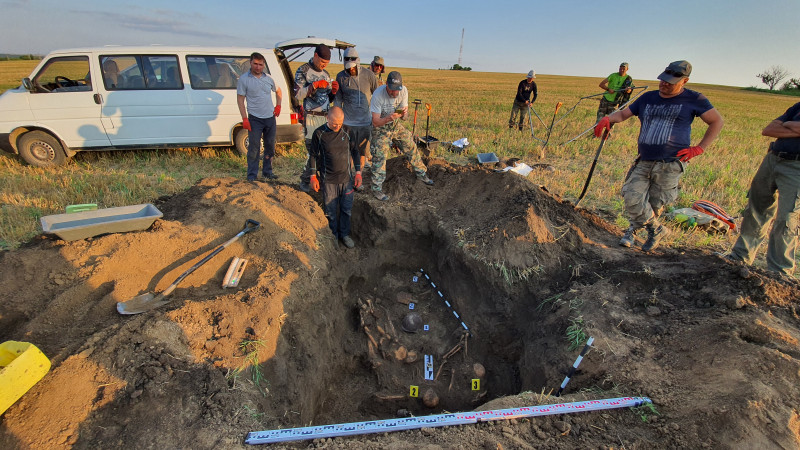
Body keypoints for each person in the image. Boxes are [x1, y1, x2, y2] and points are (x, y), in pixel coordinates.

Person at [594, 60, 724, 251]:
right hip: (644, 159)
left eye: (670, 82)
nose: (664, 84)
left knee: (655, 203)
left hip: (670, 163)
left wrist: (700, 148)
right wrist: (607, 118)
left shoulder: (694, 99)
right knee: (632, 197)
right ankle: (657, 229)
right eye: (663, 80)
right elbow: (623, 115)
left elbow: (717, 121)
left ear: (684, 81)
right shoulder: (648, 98)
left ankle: (633, 231)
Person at [726, 101, 800, 275]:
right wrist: (794, 126)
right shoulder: (798, 107)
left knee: (787, 219)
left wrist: (787, 125)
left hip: (797, 167)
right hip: (773, 159)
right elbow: (769, 130)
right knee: (756, 209)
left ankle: (780, 271)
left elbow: (779, 127)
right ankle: (740, 257)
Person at [369, 71, 434, 201]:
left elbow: (405, 116)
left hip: (395, 123)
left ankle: (421, 173)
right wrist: (388, 118)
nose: (394, 93)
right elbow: (375, 122)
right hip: (380, 126)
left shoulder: (403, 91)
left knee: (409, 144)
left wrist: (404, 115)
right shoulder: (377, 95)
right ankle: (376, 188)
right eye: (392, 90)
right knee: (380, 154)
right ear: (386, 84)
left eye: (397, 90)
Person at [308, 107, 362, 248]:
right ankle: (333, 237)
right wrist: (313, 176)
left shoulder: (348, 131)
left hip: (346, 181)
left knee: (346, 210)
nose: (337, 126)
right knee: (330, 213)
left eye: (340, 123)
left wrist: (358, 172)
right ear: (327, 118)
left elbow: (356, 151)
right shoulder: (319, 133)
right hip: (329, 181)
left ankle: (344, 234)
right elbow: (313, 155)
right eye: (334, 124)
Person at [296, 44, 339, 192]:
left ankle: (319, 179)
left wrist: (333, 92)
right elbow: (297, 94)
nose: (323, 66)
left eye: (326, 64)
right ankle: (305, 179)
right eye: (321, 62)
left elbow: (328, 98)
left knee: (325, 149)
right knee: (313, 150)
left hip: (325, 117)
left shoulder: (326, 74)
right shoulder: (303, 71)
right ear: (315, 56)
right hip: (312, 117)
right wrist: (313, 86)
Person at [334, 47, 378, 190]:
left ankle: (357, 180)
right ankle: (348, 180)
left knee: (362, 153)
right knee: (347, 153)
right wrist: (336, 118)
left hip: (365, 123)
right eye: (348, 68)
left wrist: (377, 116)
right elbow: (337, 100)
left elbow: (377, 95)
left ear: (358, 63)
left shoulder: (369, 75)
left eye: (352, 68)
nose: (350, 70)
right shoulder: (340, 77)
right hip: (348, 123)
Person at [237, 52, 282, 181]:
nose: (258, 67)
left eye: (260, 64)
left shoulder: (269, 78)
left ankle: (267, 172)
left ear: (264, 65)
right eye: (255, 64)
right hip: (255, 119)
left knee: (270, 146)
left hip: (270, 118)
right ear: (250, 63)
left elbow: (279, 91)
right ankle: (252, 175)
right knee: (254, 147)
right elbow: (240, 99)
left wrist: (278, 106)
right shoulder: (244, 79)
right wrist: (244, 118)